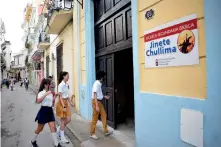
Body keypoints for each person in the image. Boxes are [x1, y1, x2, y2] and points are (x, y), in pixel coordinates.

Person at [31, 78, 62, 147]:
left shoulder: (51, 93)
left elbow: (52, 104)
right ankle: (33, 140)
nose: (51, 85)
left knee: (53, 128)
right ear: (45, 85)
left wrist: (55, 96)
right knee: (40, 129)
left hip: (50, 111)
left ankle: (56, 144)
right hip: (43, 111)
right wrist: (45, 94)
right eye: (49, 84)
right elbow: (38, 101)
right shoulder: (41, 92)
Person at [90, 70, 113, 140]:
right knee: (95, 118)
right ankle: (92, 133)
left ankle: (105, 131)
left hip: (98, 102)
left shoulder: (99, 84)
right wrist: (96, 106)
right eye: (104, 76)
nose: (104, 78)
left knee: (104, 115)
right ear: (101, 77)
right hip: (96, 102)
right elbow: (95, 94)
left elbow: (99, 94)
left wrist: (104, 97)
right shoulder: (96, 84)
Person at [56, 71, 74, 144]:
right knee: (63, 121)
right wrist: (63, 105)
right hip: (61, 103)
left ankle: (59, 129)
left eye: (68, 76)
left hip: (66, 102)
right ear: (63, 76)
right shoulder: (61, 85)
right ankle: (62, 137)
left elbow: (67, 95)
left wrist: (71, 103)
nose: (68, 77)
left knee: (69, 119)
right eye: (67, 76)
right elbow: (60, 96)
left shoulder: (66, 85)